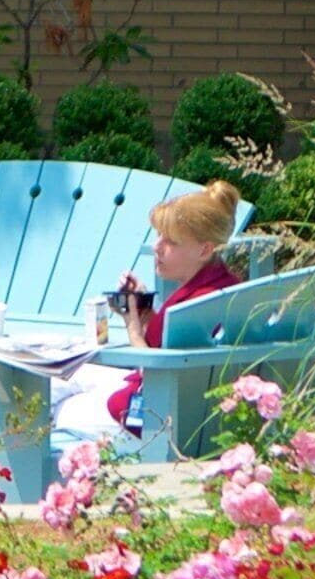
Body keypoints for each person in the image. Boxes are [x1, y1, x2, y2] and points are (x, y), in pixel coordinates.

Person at [48, 180, 244, 448]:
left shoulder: (191, 306)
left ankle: (10, 467)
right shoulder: (224, 288)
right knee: (61, 375)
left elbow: (155, 370)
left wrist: (133, 328)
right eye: (159, 236)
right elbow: (171, 347)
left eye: (170, 241)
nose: (157, 247)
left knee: (64, 405)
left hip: (154, 419)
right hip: (182, 405)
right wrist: (144, 313)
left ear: (204, 249)